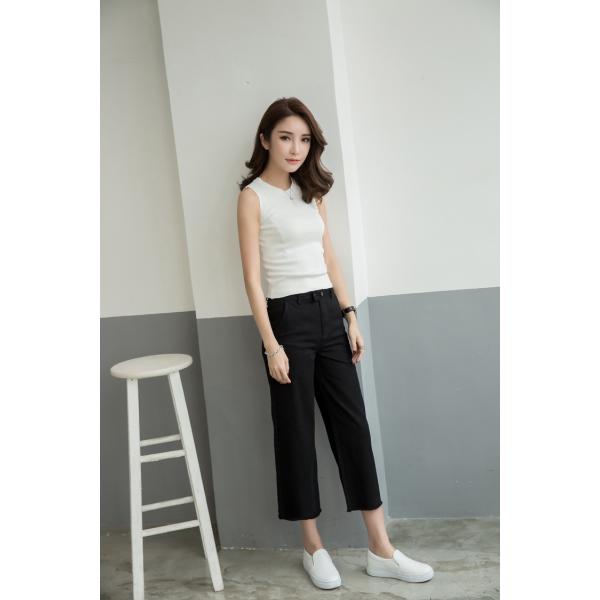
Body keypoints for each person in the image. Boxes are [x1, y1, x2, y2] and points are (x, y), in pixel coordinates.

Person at [237, 97, 434, 589]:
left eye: (304, 139)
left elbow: (330, 258)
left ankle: (380, 548)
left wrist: (350, 316)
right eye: (286, 137)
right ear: (265, 139)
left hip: (329, 313)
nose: (295, 148)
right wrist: (271, 345)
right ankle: (313, 546)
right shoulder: (252, 197)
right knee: (296, 433)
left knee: (353, 428)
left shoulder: (313, 192)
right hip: (285, 321)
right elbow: (252, 280)